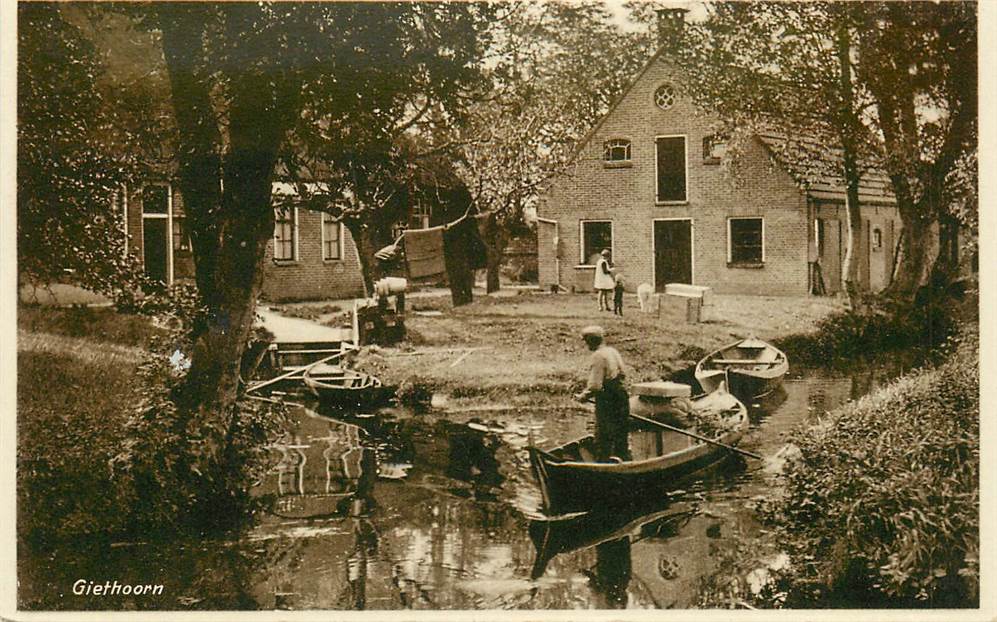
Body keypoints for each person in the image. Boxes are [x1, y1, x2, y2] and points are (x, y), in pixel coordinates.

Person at [574, 325, 631, 461]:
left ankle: (603, 462)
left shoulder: (597, 356)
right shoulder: (612, 351)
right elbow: (623, 373)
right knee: (621, 431)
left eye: (586, 342)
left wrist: (583, 396)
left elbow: (595, 386)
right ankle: (623, 459)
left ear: (590, 342)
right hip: (621, 394)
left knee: (603, 433)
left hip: (607, 398)